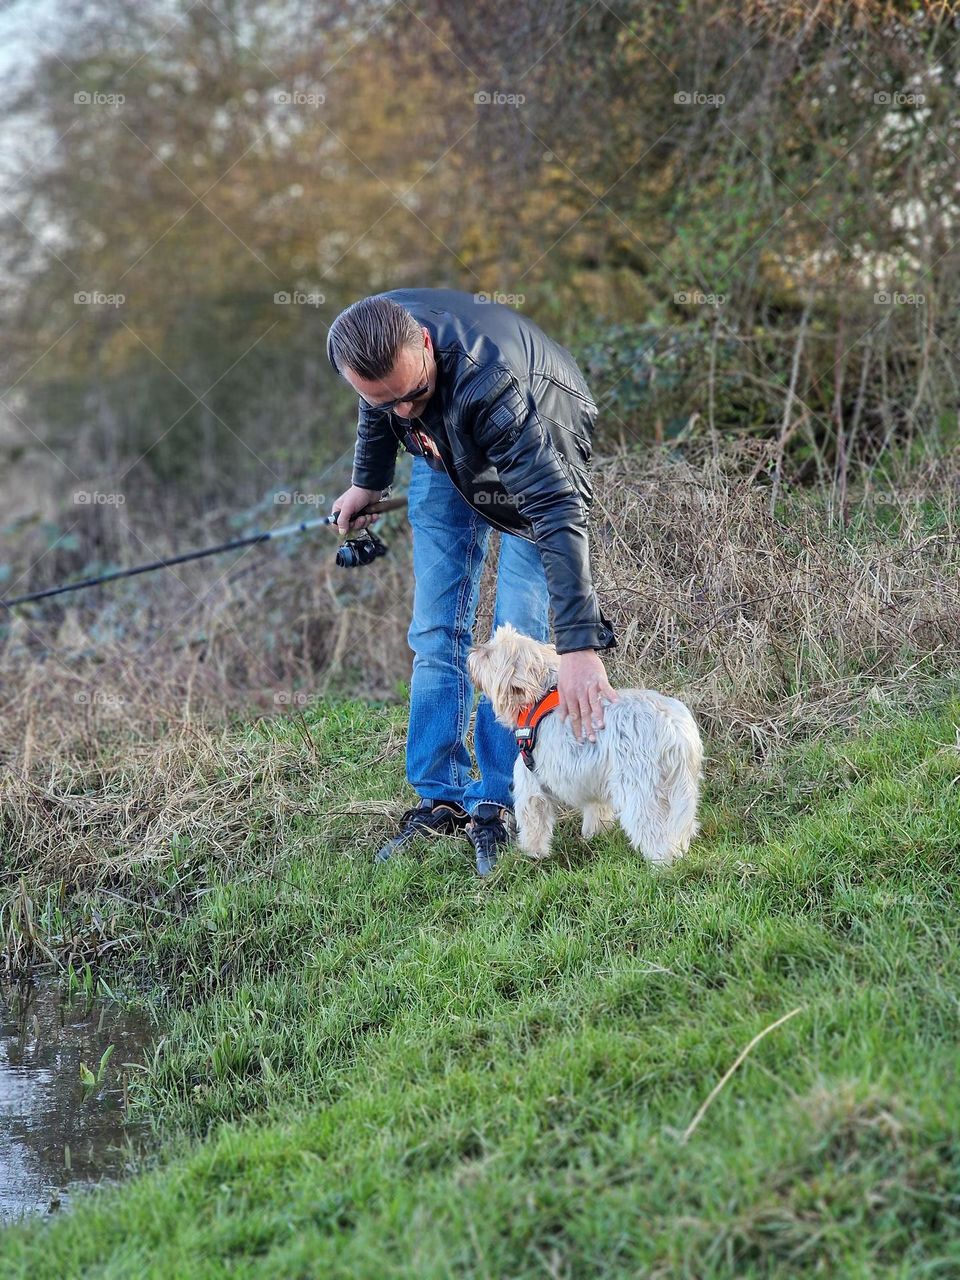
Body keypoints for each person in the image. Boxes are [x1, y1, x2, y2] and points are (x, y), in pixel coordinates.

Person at [327, 288, 617, 876]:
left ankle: (499, 798)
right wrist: (370, 480)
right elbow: (384, 402)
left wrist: (580, 647)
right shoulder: (374, 348)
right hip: (447, 449)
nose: (402, 412)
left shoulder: (494, 381)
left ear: (427, 346)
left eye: (411, 394)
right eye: (387, 402)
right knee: (436, 631)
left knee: (513, 635)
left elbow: (558, 511)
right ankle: (442, 795)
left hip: (540, 439)